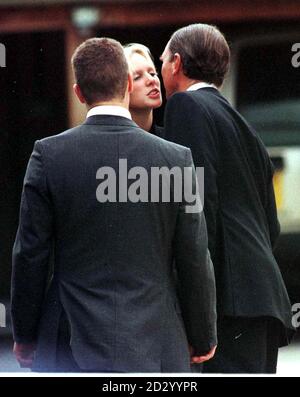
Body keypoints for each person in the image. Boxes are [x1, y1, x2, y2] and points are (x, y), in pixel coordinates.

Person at [11, 37, 217, 372]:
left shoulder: (47, 156)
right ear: (125, 84)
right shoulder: (177, 159)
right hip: (158, 342)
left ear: (79, 92)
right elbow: (194, 254)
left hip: (69, 342)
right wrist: (203, 333)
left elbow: (30, 253)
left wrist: (25, 333)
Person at [160, 23, 294, 373]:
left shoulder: (185, 106)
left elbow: (198, 209)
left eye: (161, 62)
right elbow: (271, 223)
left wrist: (198, 313)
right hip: (262, 297)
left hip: (229, 305)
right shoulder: (243, 125)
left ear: (176, 63)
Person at [123, 43, 164, 137]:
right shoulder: (111, 144)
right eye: (137, 77)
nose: (151, 80)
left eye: (152, 73)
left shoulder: (174, 140)